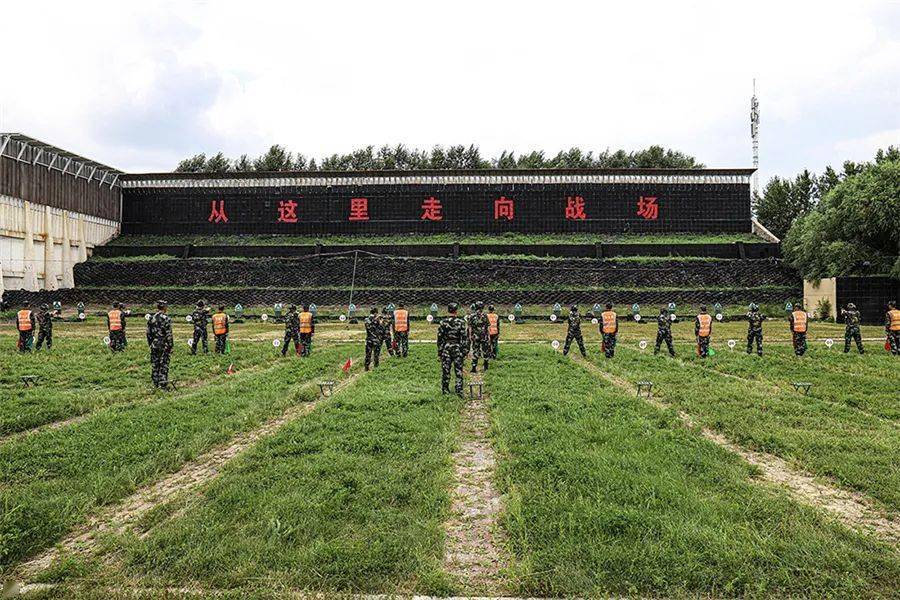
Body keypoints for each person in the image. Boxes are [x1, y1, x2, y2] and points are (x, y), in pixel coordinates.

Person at [437, 302, 467, 396]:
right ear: (456, 311)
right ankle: (459, 390)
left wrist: (440, 351)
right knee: (458, 370)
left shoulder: (443, 322)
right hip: (457, 347)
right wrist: (464, 351)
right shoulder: (461, 322)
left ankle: (445, 390)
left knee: (446, 370)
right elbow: (464, 338)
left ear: (448, 310)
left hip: (446, 347)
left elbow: (440, 338)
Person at [147, 300, 174, 388]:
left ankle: (155, 383)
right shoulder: (166, 318)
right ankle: (163, 385)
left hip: (154, 344)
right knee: (164, 365)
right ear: (165, 307)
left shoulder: (151, 318)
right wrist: (170, 345)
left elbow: (148, 333)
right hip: (164, 345)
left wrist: (150, 343)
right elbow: (168, 334)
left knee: (155, 364)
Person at [469, 301, 491, 372]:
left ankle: (474, 367)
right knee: (485, 351)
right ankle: (486, 365)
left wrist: (470, 336)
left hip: (475, 337)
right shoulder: (485, 315)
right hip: (484, 336)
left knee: (475, 351)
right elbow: (488, 327)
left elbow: (470, 327)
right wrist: (489, 336)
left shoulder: (472, 316)